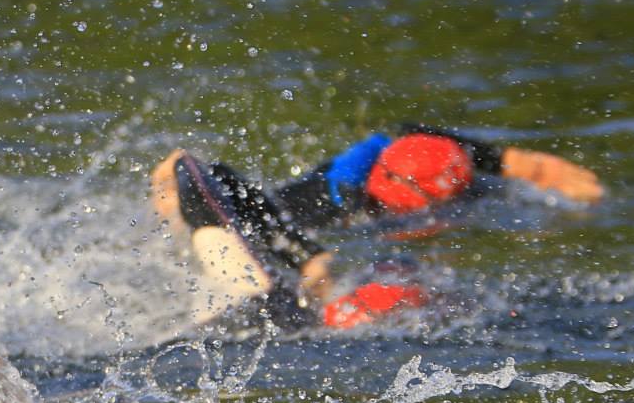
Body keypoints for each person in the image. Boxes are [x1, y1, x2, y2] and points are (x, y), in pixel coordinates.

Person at [148, 123, 602, 328]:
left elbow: (417, 130)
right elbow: (269, 215)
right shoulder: (335, 199)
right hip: (259, 236)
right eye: (442, 203)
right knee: (294, 265)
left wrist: (519, 163)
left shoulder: (402, 155)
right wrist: (310, 261)